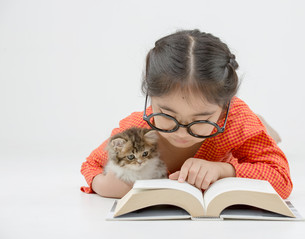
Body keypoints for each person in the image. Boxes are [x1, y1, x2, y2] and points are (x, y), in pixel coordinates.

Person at [80, 29, 292, 199]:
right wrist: (102, 184)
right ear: (150, 98)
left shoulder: (235, 120)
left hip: (238, 130)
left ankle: (262, 126)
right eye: (167, 114)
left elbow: (281, 179)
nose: (181, 132)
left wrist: (223, 170)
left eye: (200, 119)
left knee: (256, 131)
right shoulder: (136, 132)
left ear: (223, 109)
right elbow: (91, 165)